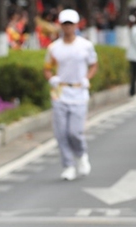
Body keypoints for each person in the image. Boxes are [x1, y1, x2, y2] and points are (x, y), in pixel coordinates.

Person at [43, 8, 97, 181]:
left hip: (79, 91)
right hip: (60, 92)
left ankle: (81, 155)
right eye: (65, 24)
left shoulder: (85, 46)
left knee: (75, 132)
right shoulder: (54, 48)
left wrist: (87, 78)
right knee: (61, 133)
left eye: (70, 24)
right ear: (60, 25)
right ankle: (68, 166)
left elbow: (94, 64)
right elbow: (47, 68)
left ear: (76, 25)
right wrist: (51, 78)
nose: (67, 27)